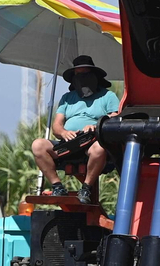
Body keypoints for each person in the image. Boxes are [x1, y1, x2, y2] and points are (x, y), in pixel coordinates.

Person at [31, 55, 120, 203]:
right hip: (68, 143)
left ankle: (86, 188)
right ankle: (57, 186)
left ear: (94, 76)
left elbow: (116, 117)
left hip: (92, 142)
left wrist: (97, 125)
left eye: (85, 75)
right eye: (78, 75)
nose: (82, 79)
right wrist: (64, 132)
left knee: (99, 149)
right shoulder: (67, 98)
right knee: (38, 145)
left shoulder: (107, 96)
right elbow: (57, 125)